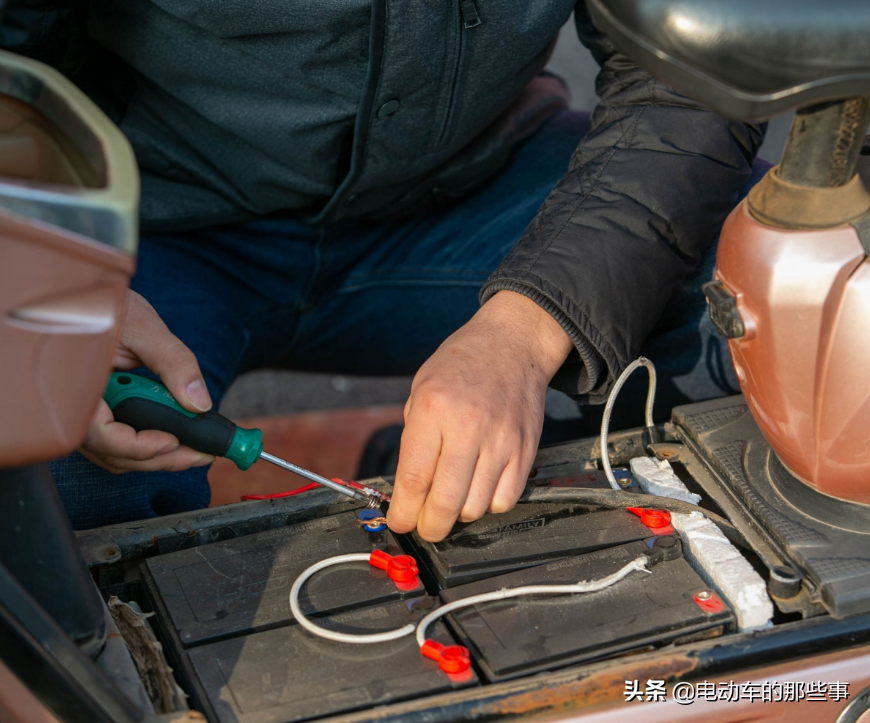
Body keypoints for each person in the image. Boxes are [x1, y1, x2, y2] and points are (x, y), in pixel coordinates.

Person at [1, 2, 765, 536]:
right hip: (159, 227)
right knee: (57, 467)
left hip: (465, 197)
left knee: (767, 291)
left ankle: (473, 465)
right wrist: (50, 275)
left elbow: (690, 78)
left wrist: (526, 332)